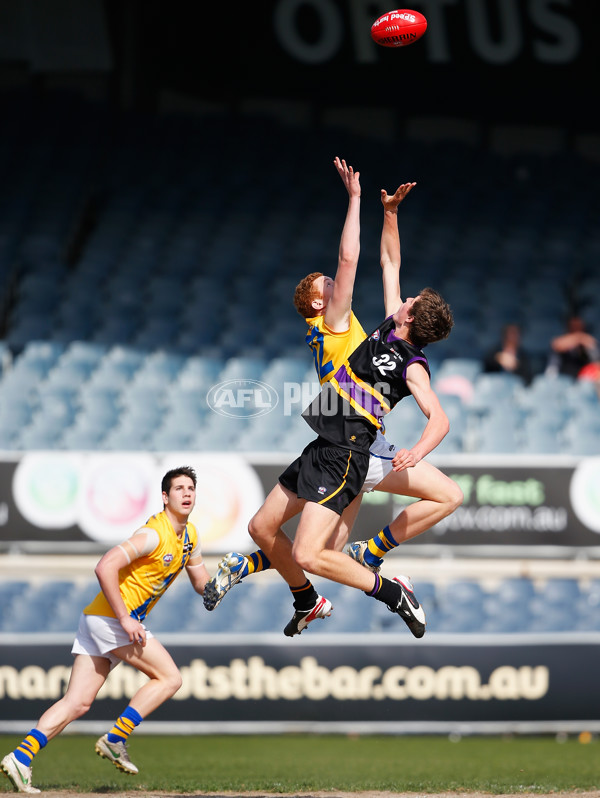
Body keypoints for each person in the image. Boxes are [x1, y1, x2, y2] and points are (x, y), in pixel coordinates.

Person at [204, 159, 461, 637]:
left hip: (352, 441)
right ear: (322, 303)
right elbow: (356, 263)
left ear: (409, 318)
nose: (338, 285)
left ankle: (366, 564)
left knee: (321, 550)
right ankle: (337, 581)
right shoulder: (339, 323)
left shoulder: (400, 347)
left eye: (409, 302)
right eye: (329, 286)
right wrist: (357, 201)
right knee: (319, 548)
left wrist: (389, 214)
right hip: (340, 437)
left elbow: (390, 263)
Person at [1, 466, 210, 795]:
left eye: (191, 488)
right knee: (170, 678)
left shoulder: (191, 536)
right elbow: (105, 565)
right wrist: (126, 618)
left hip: (98, 619)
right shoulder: (153, 534)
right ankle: (116, 738)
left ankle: (21, 757)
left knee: (78, 702)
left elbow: (202, 586)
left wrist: (229, 579)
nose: (186, 493)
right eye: (178, 488)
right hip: (112, 620)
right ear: (164, 497)